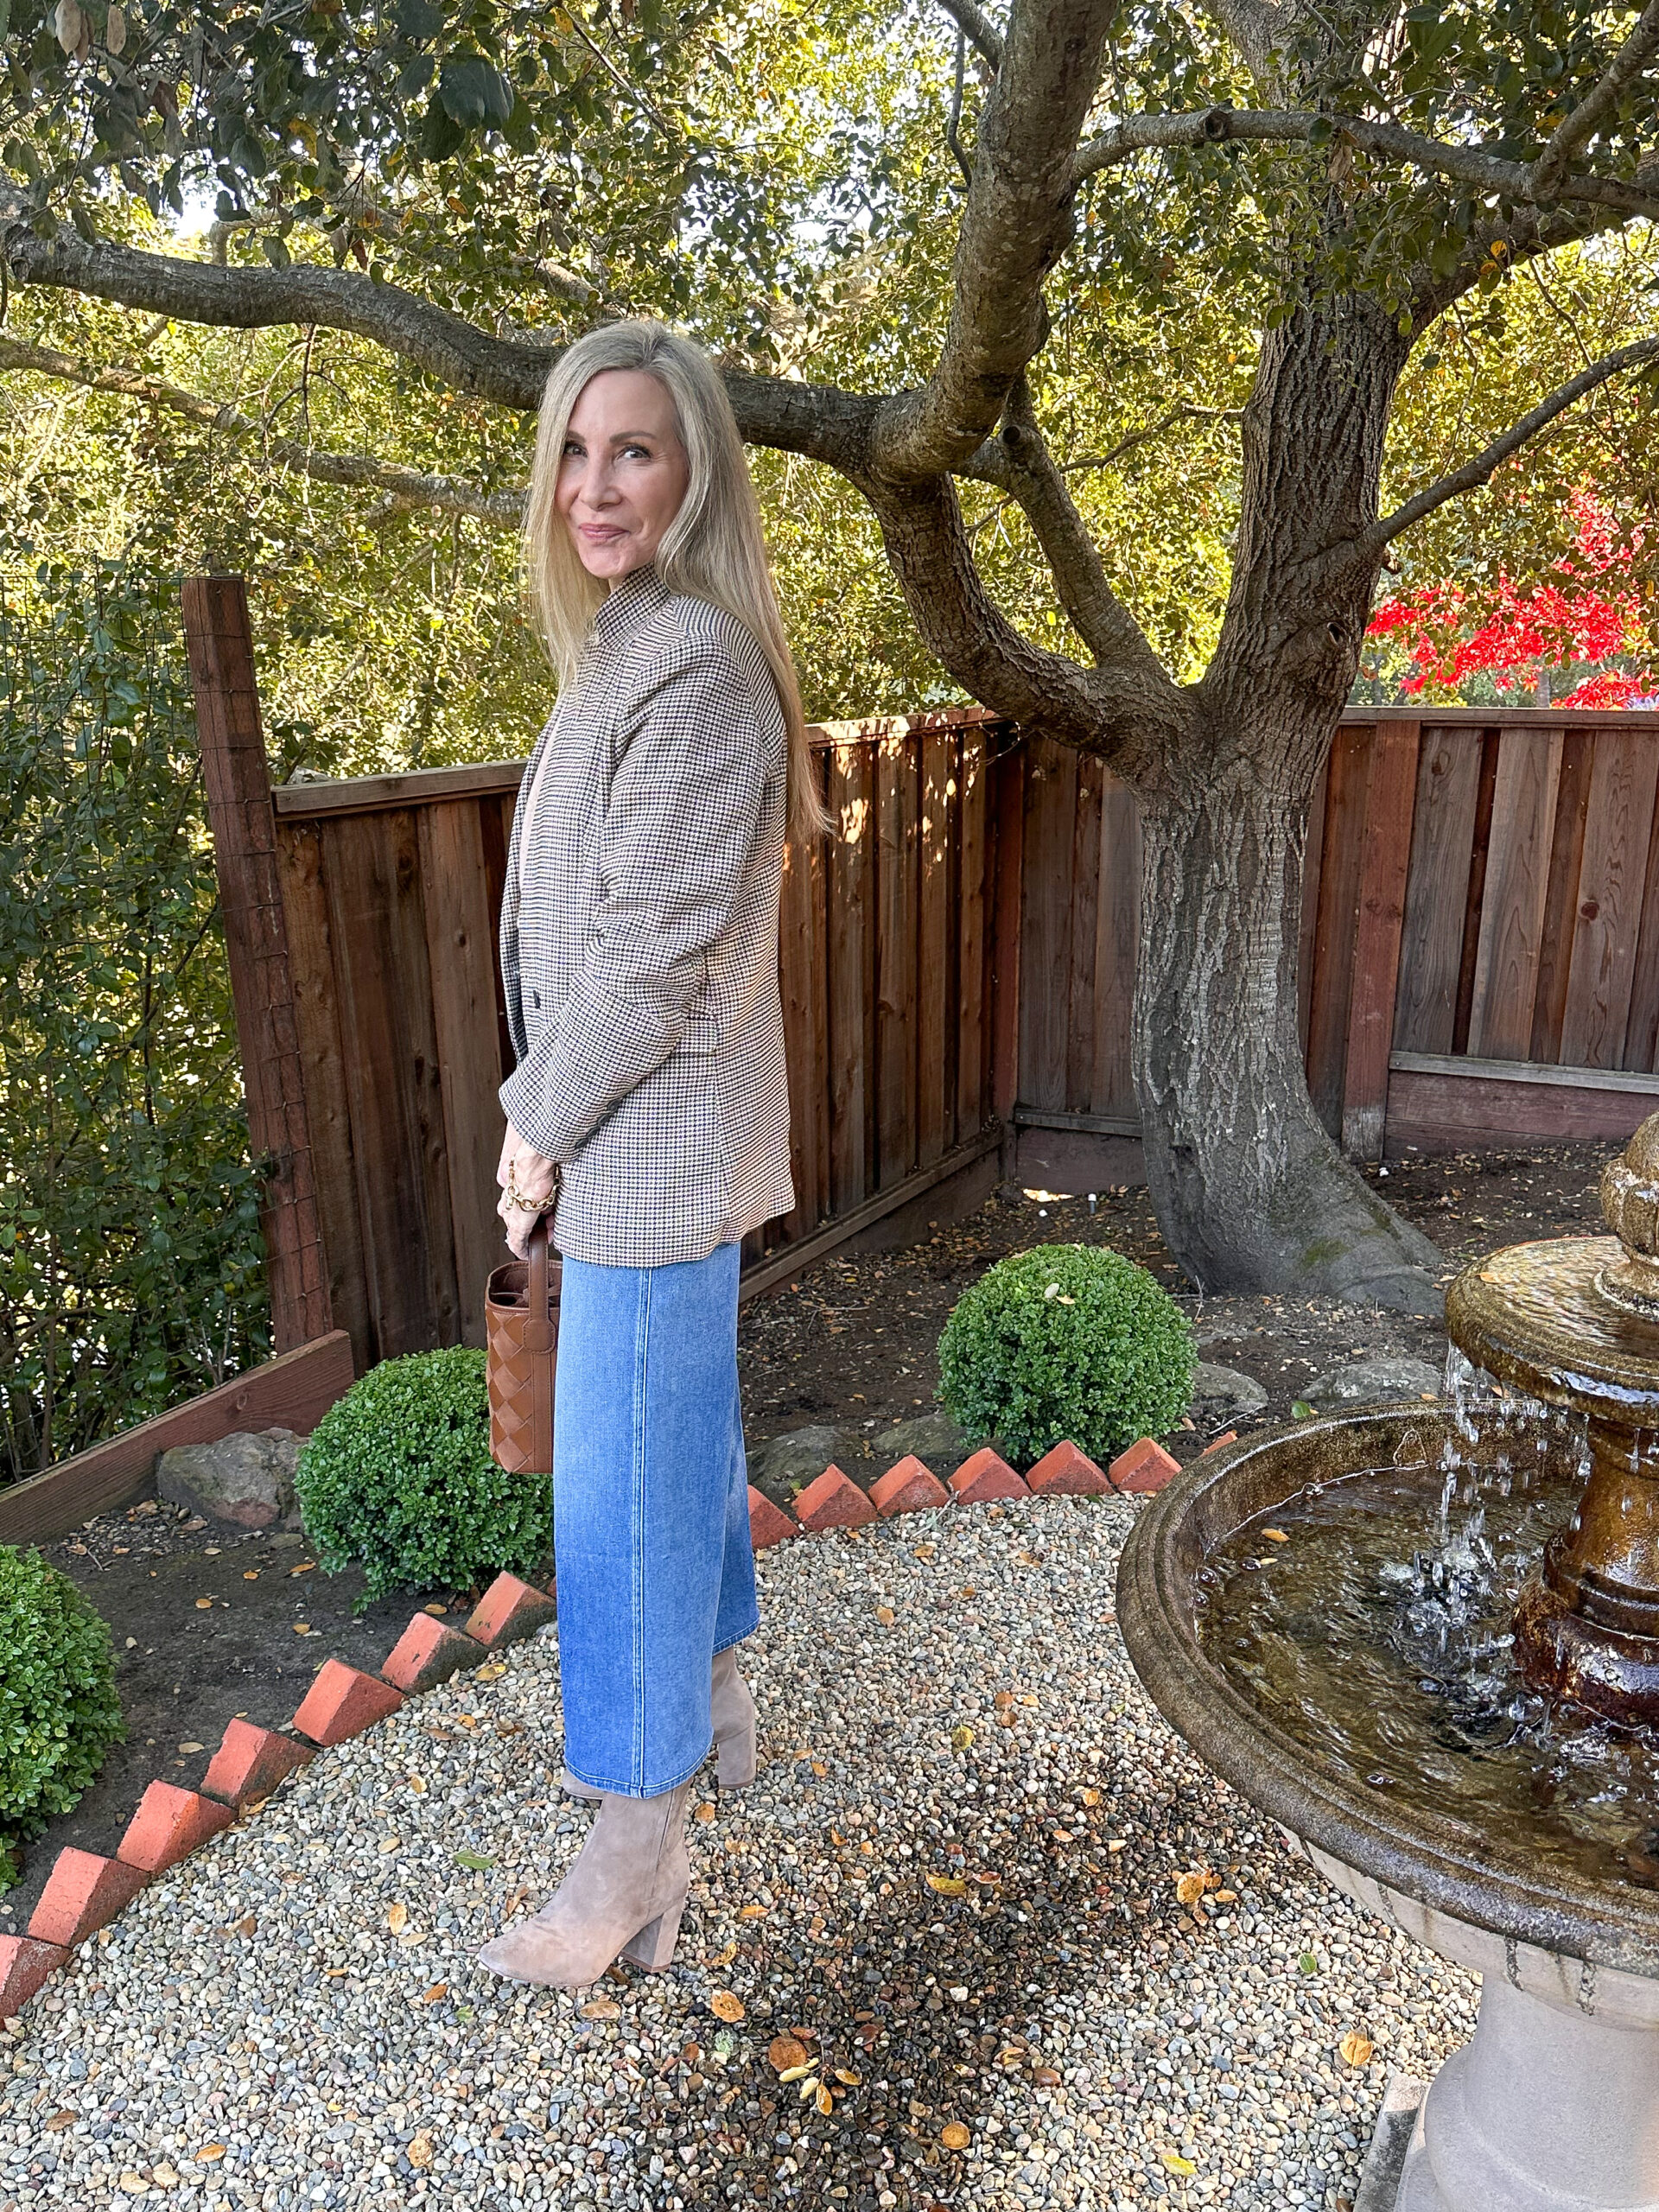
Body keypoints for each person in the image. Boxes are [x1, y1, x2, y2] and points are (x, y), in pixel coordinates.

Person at [478, 320, 830, 1990]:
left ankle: (634, 1850)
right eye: (574, 450)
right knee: (680, 1439)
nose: (595, 485)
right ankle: (727, 1701)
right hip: (649, 1143)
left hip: (641, 1149)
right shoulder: (632, 643)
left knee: (618, 1499)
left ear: (694, 475)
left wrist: (534, 1122)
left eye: (634, 451)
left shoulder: (689, 662)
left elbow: (650, 955)